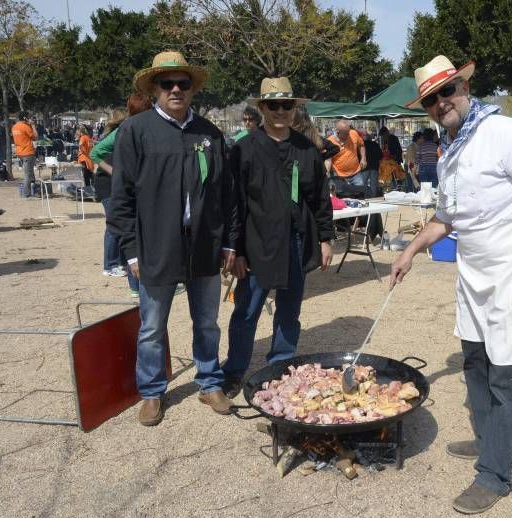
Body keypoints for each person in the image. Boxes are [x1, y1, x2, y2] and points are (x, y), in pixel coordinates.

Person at [394, 55, 512, 514]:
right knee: (476, 362)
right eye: (431, 100)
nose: (441, 103)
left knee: (508, 374)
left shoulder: (508, 134)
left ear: (463, 87)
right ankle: (488, 440)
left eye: (447, 92)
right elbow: (445, 219)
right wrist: (410, 250)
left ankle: (496, 474)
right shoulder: (450, 149)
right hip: (475, 275)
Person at [109, 51, 238, 426]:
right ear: (154, 89)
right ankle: (151, 392)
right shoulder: (135, 132)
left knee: (207, 321)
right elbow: (121, 199)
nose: (176, 89)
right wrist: (131, 251)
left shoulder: (209, 134)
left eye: (183, 83)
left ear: (192, 89)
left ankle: (210, 382)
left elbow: (227, 194)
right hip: (156, 245)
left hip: (204, 245)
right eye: (168, 83)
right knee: (151, 327)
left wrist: (229, 242)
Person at [222, 76, 333, 398]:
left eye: (287, 105)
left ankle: (281, 365)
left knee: (289, 310)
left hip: (296, 242)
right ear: (263, 108)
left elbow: (319, 198)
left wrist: (325, 238)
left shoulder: (306, 149)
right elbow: (235, 204)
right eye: (274, 105)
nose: (281, 111)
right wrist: (237, 250)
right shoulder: (244, 149)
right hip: (257, 246)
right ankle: (234, 372)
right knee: (246, 311)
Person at [91, 93, 153, 293]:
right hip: (110, 186)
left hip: (133, 187)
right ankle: (113, 267)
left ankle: (134, 280)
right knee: (119, 226)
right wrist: (115, 172)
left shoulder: (145, 128)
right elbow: (94, 153)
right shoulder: (126, 130)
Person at [327, 119, 366, 191]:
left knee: (361, 195)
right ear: (338, 132)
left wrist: (363, 158)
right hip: (340, 177)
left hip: (356, 174)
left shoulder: (353, 133)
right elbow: (328, 159)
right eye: (346, 133)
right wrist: (327, 172)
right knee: (343, 199)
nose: (348, 135)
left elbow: (361, 145)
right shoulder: (330, 141)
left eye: (348, 132)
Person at [11, 112, 38, 196]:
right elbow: (36, 137)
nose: (30, 119)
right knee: (27, 174)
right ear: (25, 118)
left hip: (19, 152)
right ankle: (27, 193)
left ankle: (34, 190)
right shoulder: (25, 127)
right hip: (27, 152)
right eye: (29, 117)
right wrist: (33, 125)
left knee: (30, 172)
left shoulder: (14, 127)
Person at [362, 132, 383, 197]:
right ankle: (373, 197)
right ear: (371, 139)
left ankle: (364, 196)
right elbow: (380, 155)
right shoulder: (375, 144)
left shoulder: (362, 145)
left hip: (365, 167)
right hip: (374, 166)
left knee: (363, 183)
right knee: (373, 183)